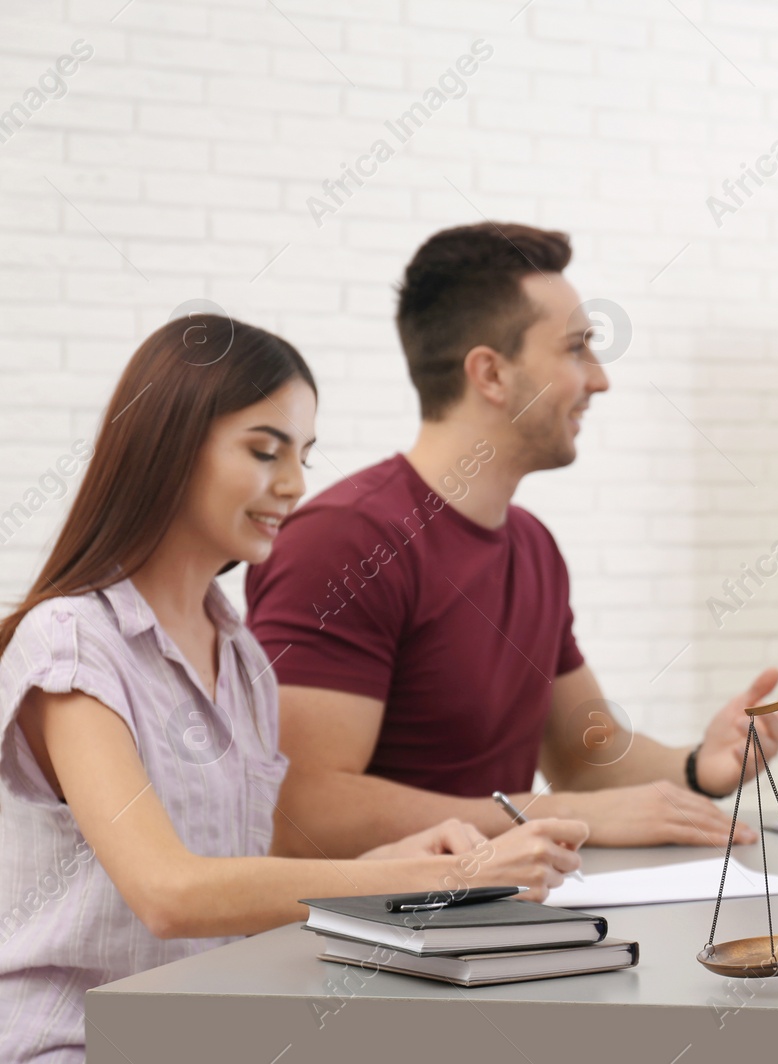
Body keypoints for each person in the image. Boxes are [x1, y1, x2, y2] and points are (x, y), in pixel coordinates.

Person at [0, 316, 585, 1063]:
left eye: (303, 456)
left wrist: (387, 865)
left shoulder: (239, 659)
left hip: (203, 1035)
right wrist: (442, 875)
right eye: (264, 450)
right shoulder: (73, 642)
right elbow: (171, 893)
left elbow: (241, 884)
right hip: (72, 1043)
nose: (294, 484)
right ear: (169, 446)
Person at [245, 222, 778, 860]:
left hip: (498, 928)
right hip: (371, 948)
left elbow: (585, 760)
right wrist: (553, 813)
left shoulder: (532, 546)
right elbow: (305, 814)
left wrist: (702, 764)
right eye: (575, 349)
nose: (599, 380)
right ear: (491, 374)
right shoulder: (346, 541)